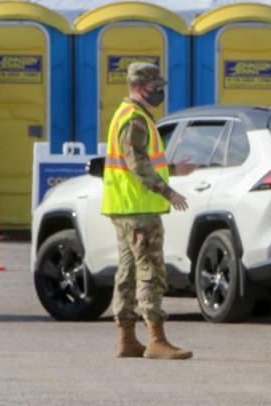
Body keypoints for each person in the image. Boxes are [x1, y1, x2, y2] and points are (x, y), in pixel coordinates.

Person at [102, 62, 195, 360]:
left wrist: (172, 170)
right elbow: (137, 164)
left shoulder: (128, 114)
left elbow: (140, 161)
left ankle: (127, 340)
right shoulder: (135, 118)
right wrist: (168, 191)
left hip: (126, 207)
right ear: (141, 87)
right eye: (156, 87)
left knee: (128, 271)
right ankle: (156, 339)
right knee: (150, 271)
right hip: (138, 209)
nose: (160, 92)